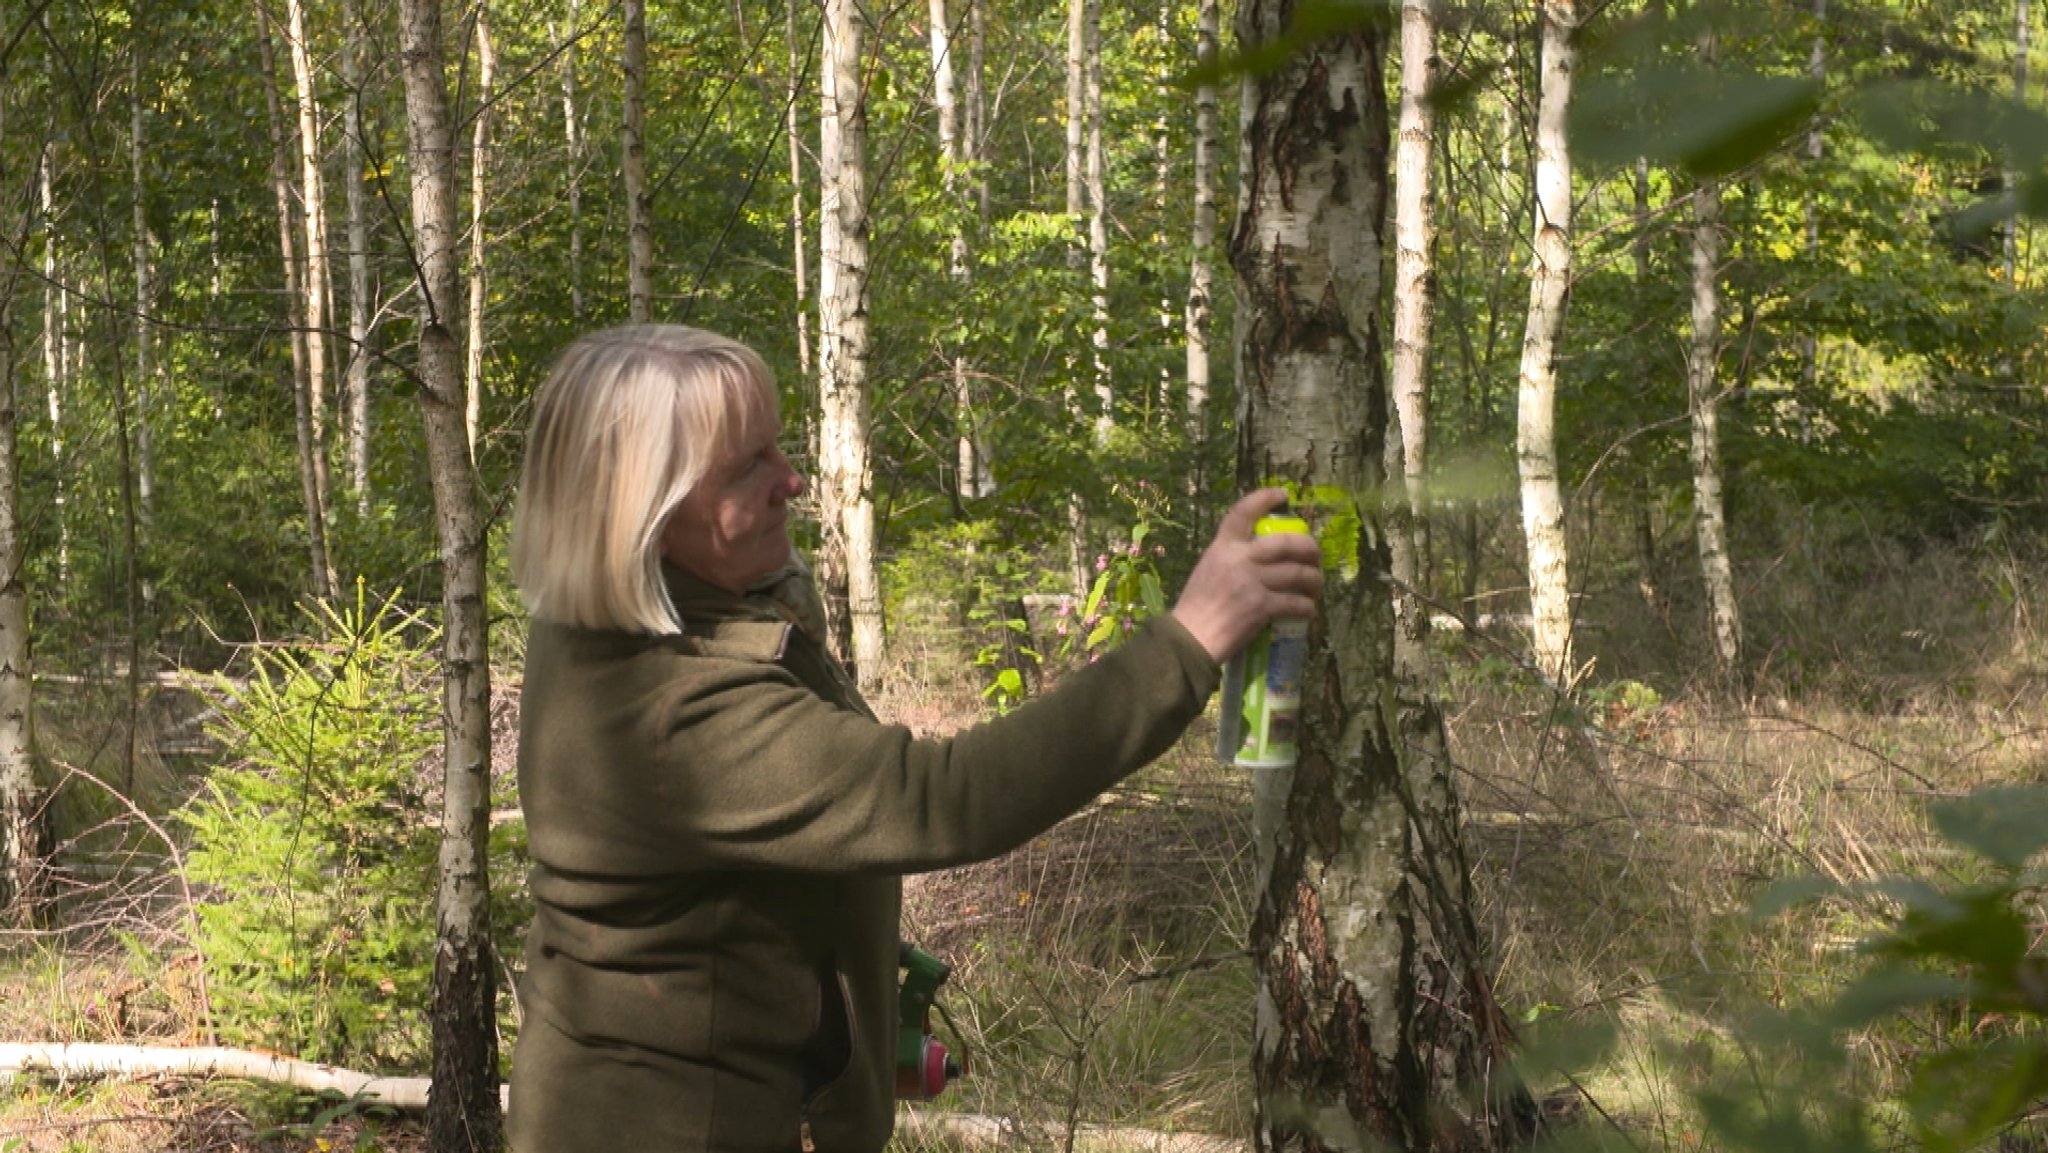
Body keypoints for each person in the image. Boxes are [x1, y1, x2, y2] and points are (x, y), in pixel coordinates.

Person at [504, 324, 1322, 1153]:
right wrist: (1190, 637)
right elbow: (942, 796)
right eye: (748, 465)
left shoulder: (612, 616)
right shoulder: (670, 714)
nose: (790, 478)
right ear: (648, 512)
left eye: (776, 446)